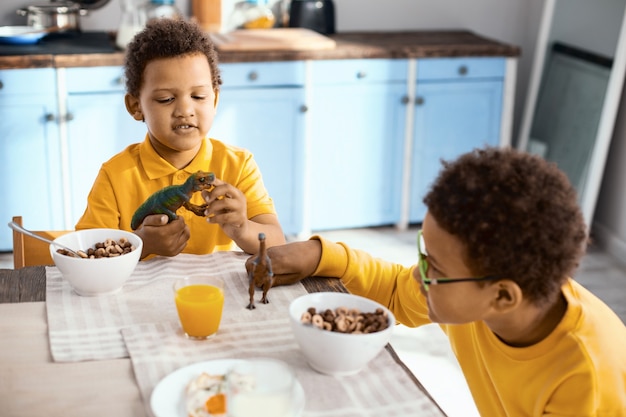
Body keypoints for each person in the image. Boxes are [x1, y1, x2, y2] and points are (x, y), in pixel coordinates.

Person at [250, 147, 626, 416]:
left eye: (435, 267)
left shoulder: (588, 378)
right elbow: (397, 291)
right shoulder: (483, 293)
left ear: (502, 296)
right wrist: (320, 256)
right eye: (423, 253)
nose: (419, 273)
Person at [76, 18, 286, 259]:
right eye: (166, 99)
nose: (185, 110)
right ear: (136, 106)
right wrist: (142, 243)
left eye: (198, 96)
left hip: (214, 293)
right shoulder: (115, 175)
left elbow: (276, 242)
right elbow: (88, 253)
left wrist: (243, 228)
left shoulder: (239, 165)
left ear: (215, 100)